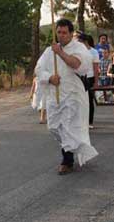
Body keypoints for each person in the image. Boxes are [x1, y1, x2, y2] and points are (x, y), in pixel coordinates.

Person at [35, 19, 97, 175]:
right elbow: (39, 69)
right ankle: (73, 148)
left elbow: (77, 64)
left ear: (70, 33)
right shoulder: (49, 50)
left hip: (72, 95)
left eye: (64, 32)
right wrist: (49, 78)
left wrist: (60, 53)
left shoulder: (78, 47)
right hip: (54, 94)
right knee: (54, 127)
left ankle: (67, 161)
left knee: (68, 126)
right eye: (58, 32)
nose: (61, 35)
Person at [77, 33, 99, 129]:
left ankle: (89, 121)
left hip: (90, 77)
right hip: (80, 77)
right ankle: (80, 121)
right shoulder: (78, 51)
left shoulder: (94, 52)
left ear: (85, 41)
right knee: (79, 100)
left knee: (89, 100)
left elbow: (96, 68)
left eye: (80, 41)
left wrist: (96, 82)